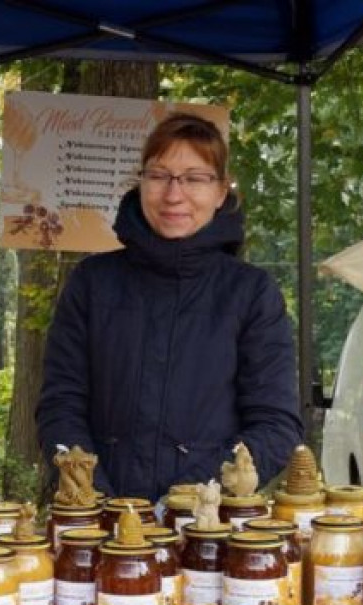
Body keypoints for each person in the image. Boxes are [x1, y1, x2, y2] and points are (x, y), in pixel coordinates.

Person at [36, 112, 303, 501]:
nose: (173, 195)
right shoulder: (92, 283)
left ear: (221, 191)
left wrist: (189, 497)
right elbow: (60, 404)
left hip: (209, 529)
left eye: (194, 178)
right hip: (96, 524)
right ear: (140, 183)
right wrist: (98, 500)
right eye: (159, 175)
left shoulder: (250, 293)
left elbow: (276, 425)